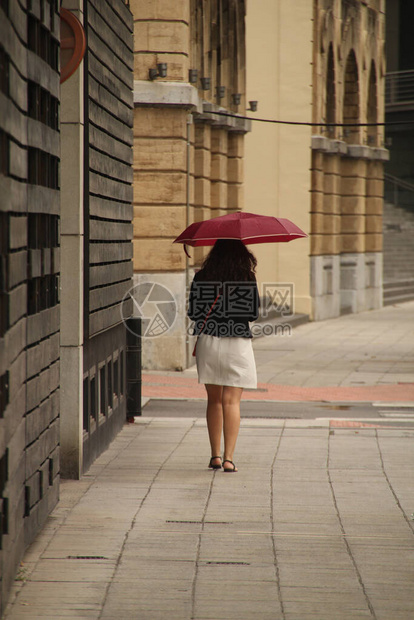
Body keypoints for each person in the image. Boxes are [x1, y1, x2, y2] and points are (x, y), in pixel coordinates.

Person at [187, 239, 259, 473]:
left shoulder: (202, 277)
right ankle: (229, 458)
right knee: (232, 401)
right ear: (242, 254)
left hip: (209, 339)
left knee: (214, 400)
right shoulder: (246, 278)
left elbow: (193, 312)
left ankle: (215, 456)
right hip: (237, 341)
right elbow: (253, 313)